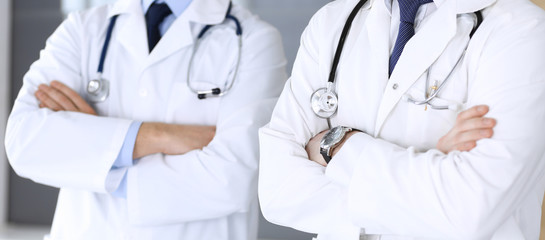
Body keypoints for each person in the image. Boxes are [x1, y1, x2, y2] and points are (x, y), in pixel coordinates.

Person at [258, 0, 545, 239]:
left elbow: (468, 209)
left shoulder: (523, 30)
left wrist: (339, 146)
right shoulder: (333, 22)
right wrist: (430, 176)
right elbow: (277, 189)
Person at [5, 0, 286, 239]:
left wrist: (97, 155)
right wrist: (159, 136)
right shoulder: (83, 30)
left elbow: (233, 178)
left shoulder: (253, 42)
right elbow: (24, 141)